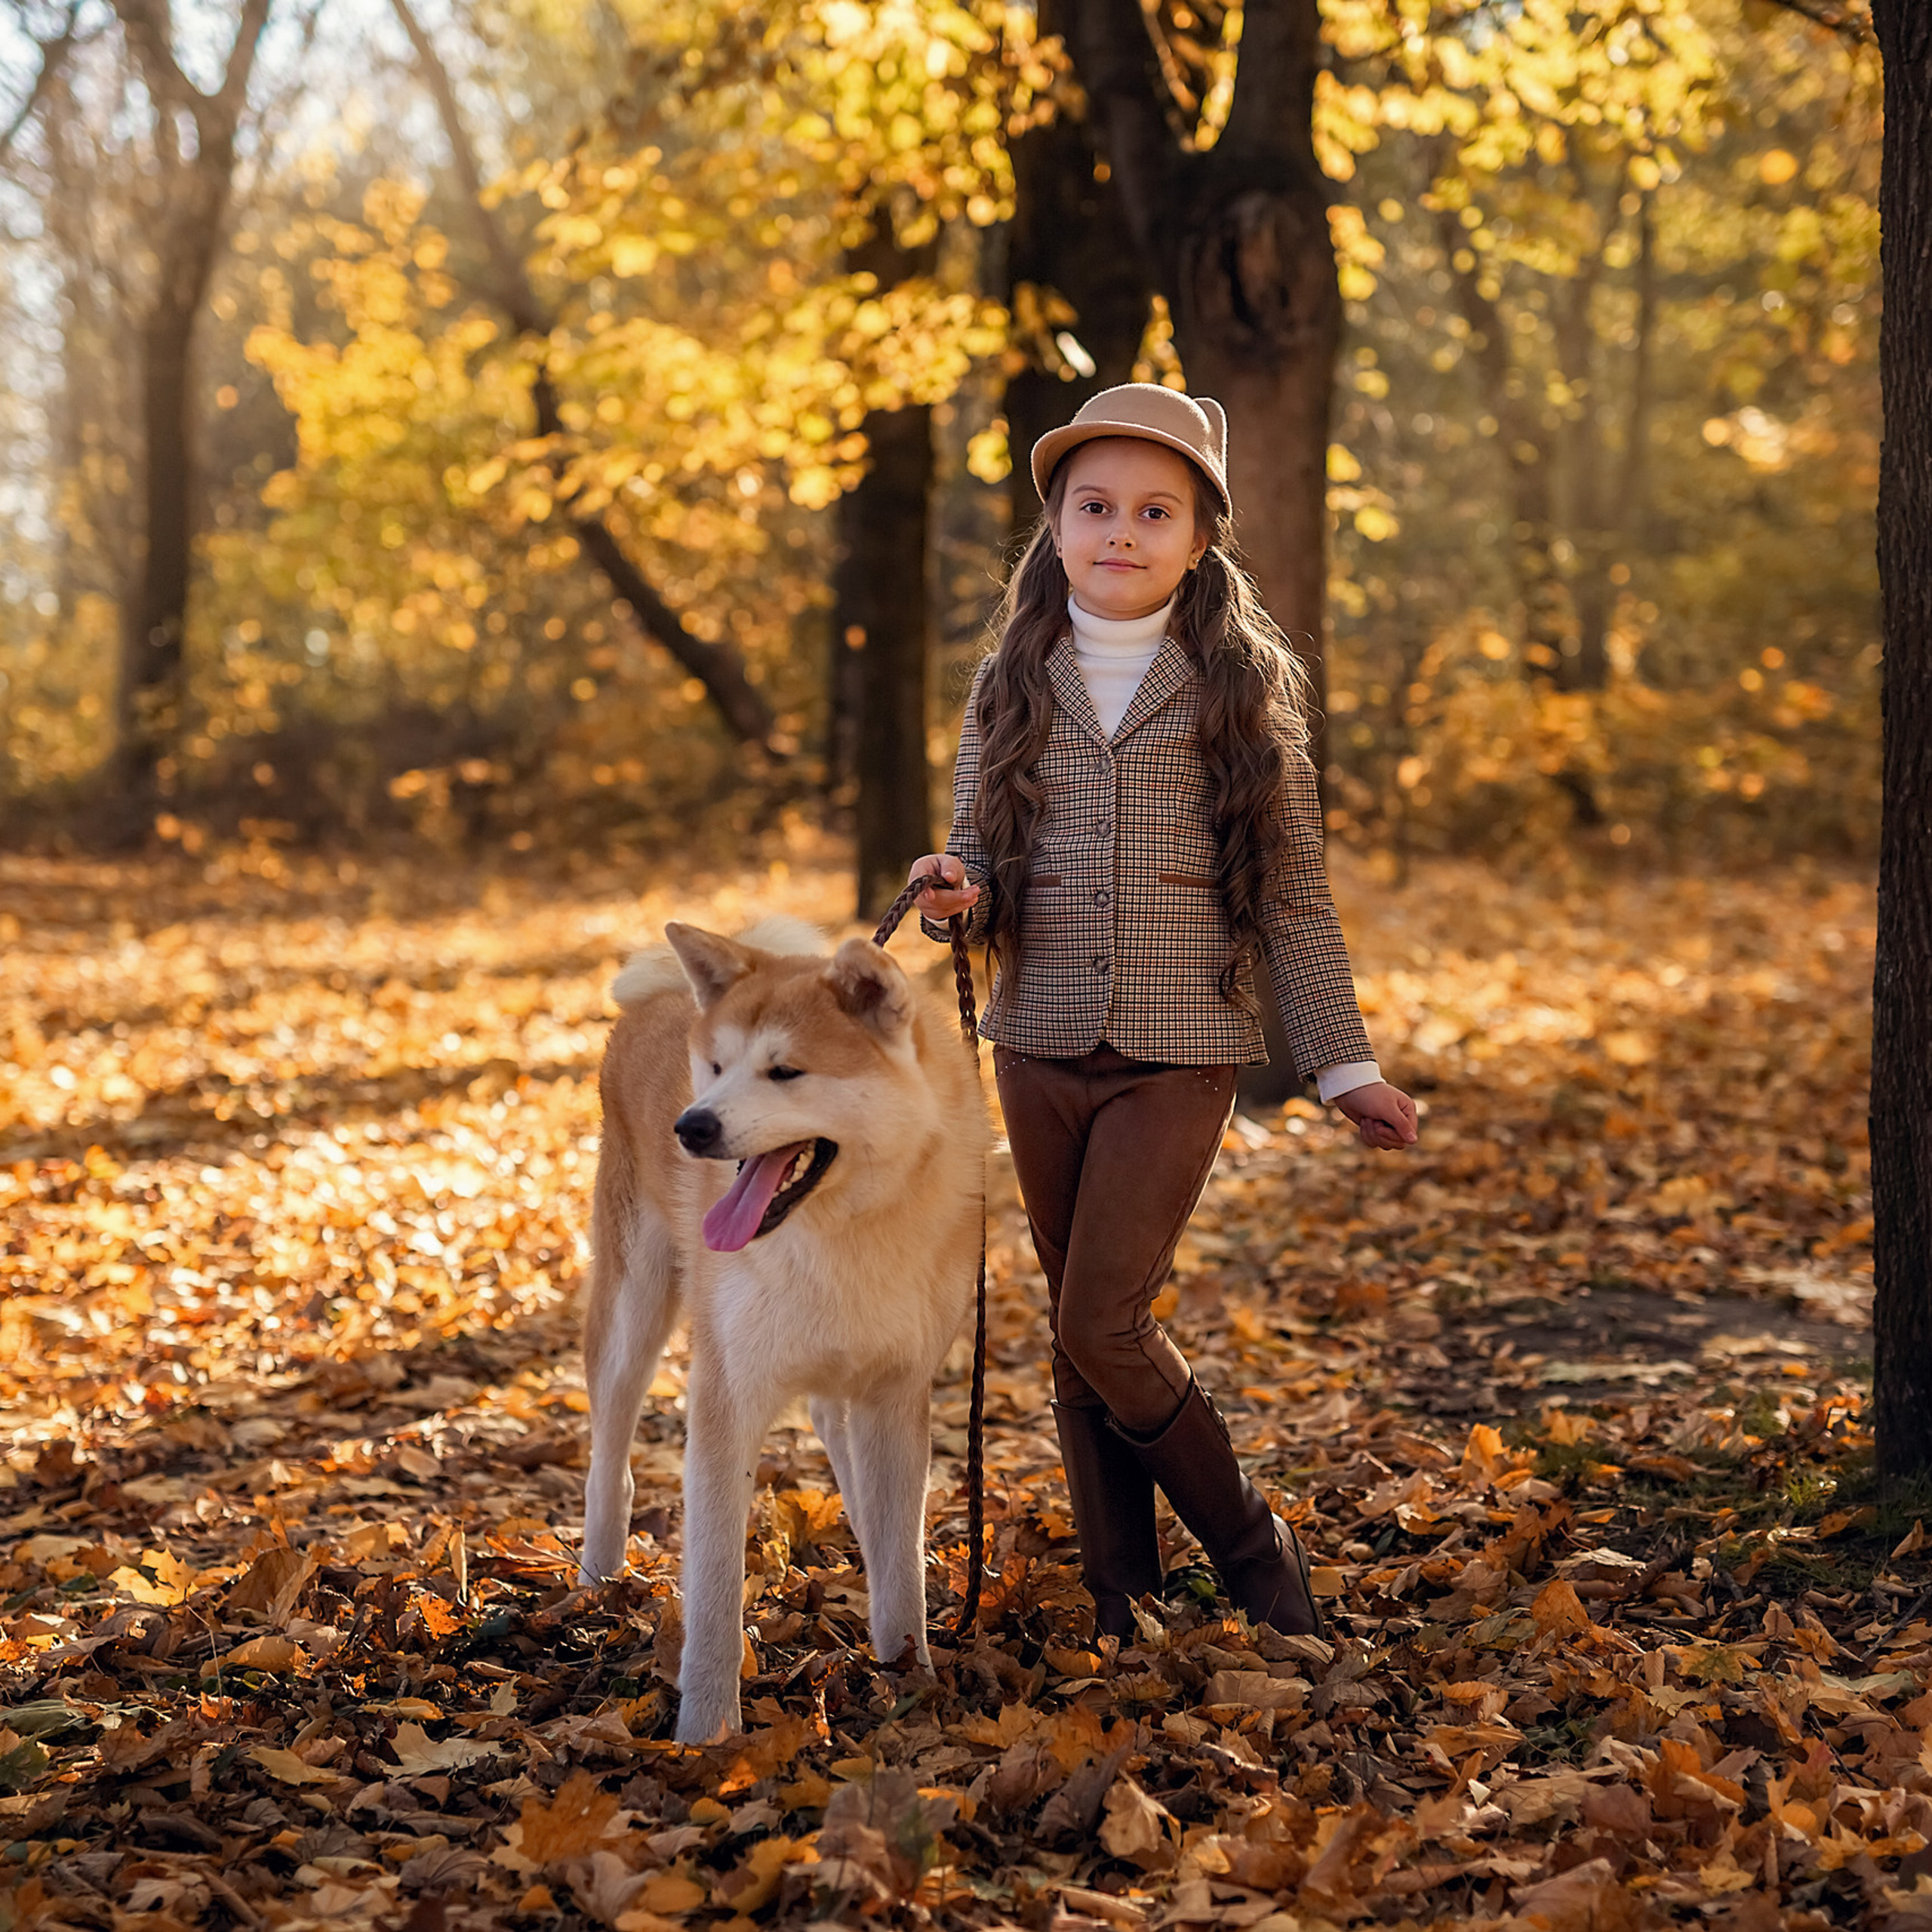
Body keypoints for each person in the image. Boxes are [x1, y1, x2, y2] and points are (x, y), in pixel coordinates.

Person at [910, 383, 1417, 1641]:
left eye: (1155, 510)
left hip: (1178, 1050)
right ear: (1057, 527)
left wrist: (1341, 1065)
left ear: (1201, 539)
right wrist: (947, 895)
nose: (1121, 531)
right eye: (1096, 507)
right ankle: (1120, 1597)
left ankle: (1252, 1551)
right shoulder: (1009, 685)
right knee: (1077, 1332)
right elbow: (975, 861)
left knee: (1103, 1317)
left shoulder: (1244, 696)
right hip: (1037, 1043)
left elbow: (1293, 903)